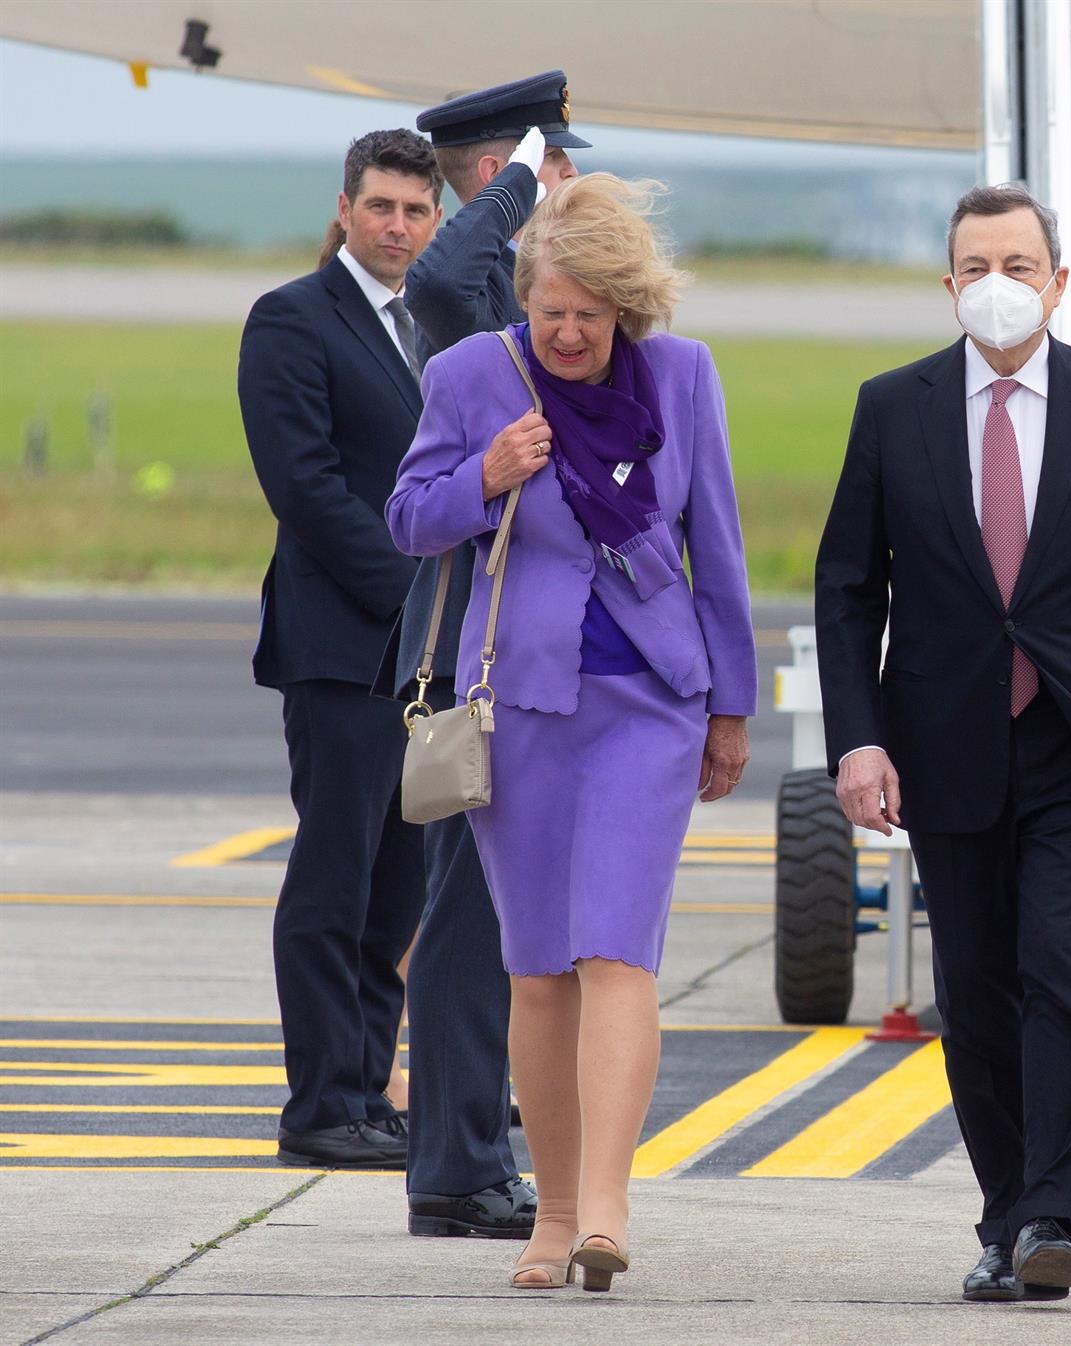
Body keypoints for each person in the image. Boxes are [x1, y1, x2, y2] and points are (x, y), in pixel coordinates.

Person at [814, 183, 1071, 1303]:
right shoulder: (894, 407)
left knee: (1060, 968)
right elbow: (848, 592)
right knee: (976, 989)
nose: (997, 285)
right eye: (975, 265)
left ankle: (1060, 1213)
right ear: (947, 285)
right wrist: (858, 742)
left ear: (1057, 281)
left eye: (1018, 265)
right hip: (944, 744)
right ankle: (1005, 1210)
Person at [386, 173, 756, 1292]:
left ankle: (606, 1201)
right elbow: (407, 515)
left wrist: (730, 705)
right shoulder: (469, 376)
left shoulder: (681, 377)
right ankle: (549, 1216)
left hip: (651, 700)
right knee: (538, 965)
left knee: (615, 947)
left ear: (626, 309)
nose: (568, 332)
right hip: (522, 700)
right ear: (526, 295)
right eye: (552, 310)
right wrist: (484, 477)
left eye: (591, 314)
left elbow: (719, 544)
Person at [384, 69, 583, 1243]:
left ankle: (470, 1154)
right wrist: (520, 177)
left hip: (529, 667)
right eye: (557, 166)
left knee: (489, 923)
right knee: (465, 927)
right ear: (501, 172)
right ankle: (456, 1167)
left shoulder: (528, 306)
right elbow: (450, 268)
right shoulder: (477, 299)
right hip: (477, 670)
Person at [236, 129, 444, 1168]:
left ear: (435, 218)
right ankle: (319, 1104)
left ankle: (368, 1087)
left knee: (396, 890)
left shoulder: (433, 326)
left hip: (423, 657)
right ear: (345, 208)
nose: (397, 226)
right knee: (333, 879)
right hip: (343, 644)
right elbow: (305, 484)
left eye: (415, 210)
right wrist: (416, 595)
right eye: (380, 207)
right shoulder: (292, 317)